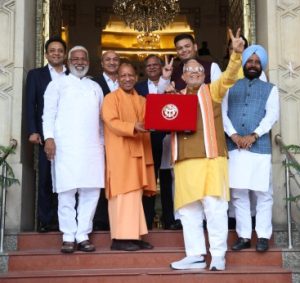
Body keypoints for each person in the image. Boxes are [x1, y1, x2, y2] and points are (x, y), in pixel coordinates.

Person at [168, 29, 245, 271]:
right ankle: (195, 255)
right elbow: (158, 118)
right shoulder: (176, 97)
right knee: (189, 210)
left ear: (204, 74)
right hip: (184, 160)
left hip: (212, 158)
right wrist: (164, 87)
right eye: (189, 71)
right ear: (183, 74)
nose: (194, 74)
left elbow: (230, 76)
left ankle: (218, 255)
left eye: (198, 71)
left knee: (214, 207)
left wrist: (235, 53)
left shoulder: (213, 92)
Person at [43, 46, 105, 253]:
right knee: (66, 191)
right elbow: (48, 114)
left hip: (92, 147)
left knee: (91, 191)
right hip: (65, 147)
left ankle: (83, 234)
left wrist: (104, 145)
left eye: (83, 59)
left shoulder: (95, 87)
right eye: (75, 59)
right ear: (69, 62)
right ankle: (68, 235)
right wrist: (49, 138)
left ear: (88, 61)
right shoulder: (57, 84)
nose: (80, 62)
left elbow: (101, 121)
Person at [222, 45, 279, 252]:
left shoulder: (271, 89)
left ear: (261, 65)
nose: (253, 65)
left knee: (263, 193)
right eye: (250, 61)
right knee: (239, 193)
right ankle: (244, 236)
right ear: (244, 63)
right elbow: (223, 114)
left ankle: (263, 235)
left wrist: (253, 136)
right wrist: (234, 135)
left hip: (259, 147)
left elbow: (271, 116)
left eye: (257, 62)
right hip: (235, 146)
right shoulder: (230, 86)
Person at [101, 62, 156, 251]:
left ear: (136, 77)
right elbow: (111, 122)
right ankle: (119, 239)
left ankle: (135, 236)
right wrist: (134, 127)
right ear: (117, 78)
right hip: (121, 153)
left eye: (130, 75)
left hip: (139, 152)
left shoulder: (142, 100)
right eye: (123, 75)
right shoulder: (110, 99)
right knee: (123, 195)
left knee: (135, 196)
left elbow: (151, 119)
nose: (127, 79)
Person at [26, 36, 67, 232]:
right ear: (46, 54)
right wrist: (33, 130)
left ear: (65, 54)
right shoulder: (36, 75)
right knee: (45, 178)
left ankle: (63, 220)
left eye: (60, 50)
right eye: (53, 50)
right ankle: (45, 220)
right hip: (46, 136)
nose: (56, 53)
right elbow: (30, 105)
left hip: (69, 137)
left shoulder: (73, 76)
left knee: (67, 179)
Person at [135, 55, 179, 230]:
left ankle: (170, 220)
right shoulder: (137, 88)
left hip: (168, 138)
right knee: (148, 181)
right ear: (144, 69)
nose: (152, 68)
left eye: (155, 65)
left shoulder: (172, 85)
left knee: (168, 180)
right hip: (146, 139)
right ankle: (146, 221)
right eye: (149, 66)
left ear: (161, 67)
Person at [92, 50, 120, 231]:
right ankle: (101, 221)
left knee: (120, 179)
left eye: (115, 59)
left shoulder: (127, 81)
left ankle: (119, 220)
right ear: (102, 63)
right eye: (107, 60)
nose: (111, 62)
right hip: (100, 138)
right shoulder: (92, 83)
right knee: (101, 178)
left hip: (123, 140)